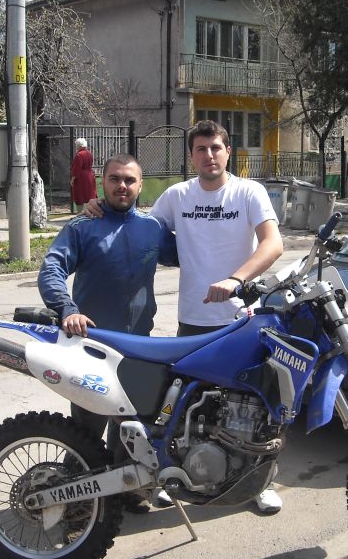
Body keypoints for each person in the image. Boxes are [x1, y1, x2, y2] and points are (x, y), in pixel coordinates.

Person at [87, 120, 285, 513]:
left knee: (255, 408)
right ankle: (170, 477)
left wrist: (236, 279)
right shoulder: (178, 196)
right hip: (193, 320)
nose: (209, 155)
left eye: (216, 148)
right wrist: (99, 208)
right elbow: (137, 227)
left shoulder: (248, 192)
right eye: (201, 149)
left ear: (228, 152)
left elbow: (273, 243)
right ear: (191, 156)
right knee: (182, 409)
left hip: (241, 319)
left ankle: (256, 484)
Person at [38, 153, 177, 512]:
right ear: (103, 183)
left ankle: (126, 491)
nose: (122, 186)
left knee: (131, 424)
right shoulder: (82, 226)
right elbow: (52, 268)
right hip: (92, 348)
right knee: (86, 428)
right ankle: (74, 501)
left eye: (129, 180)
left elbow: (193, 253)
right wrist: (68, 310)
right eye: (115, 179)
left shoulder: (153, 228)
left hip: (138, 349)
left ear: (141, 185)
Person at [70, 137, 97, 211]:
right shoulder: (89, 153)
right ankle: (90, 211)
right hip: (90, 175)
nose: (76, 147)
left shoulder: (79, 155)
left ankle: (80, 212)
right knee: (89, 194)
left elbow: (77, 168)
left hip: (81, 177)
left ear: (79, 146)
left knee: (80, 195)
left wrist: (73, 179)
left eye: (77, 145)